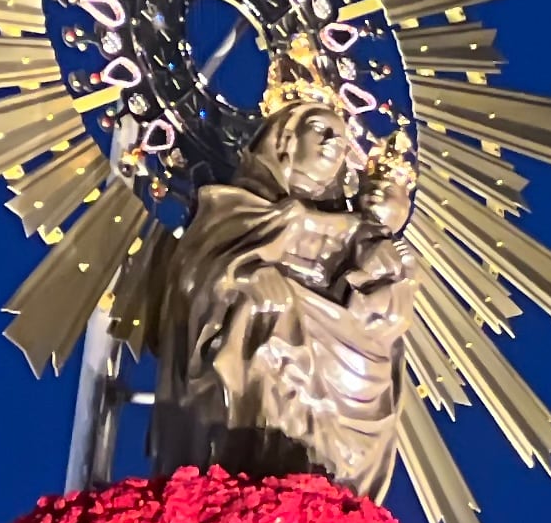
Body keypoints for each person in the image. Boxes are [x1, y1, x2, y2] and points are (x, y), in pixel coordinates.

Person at [148, 42, 417, 497]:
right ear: (285, 139)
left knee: (374, 369)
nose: (335, 145)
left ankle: (328, 497)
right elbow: (198, 274)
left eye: (340, 137)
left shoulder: (360, 234)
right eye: (321, 131)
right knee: (268, 317)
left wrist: (380, 288)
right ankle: (259, 473)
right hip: (271, 337)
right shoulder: (234, 208)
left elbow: (389, 304)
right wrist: (248, 276)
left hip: (347, 360)